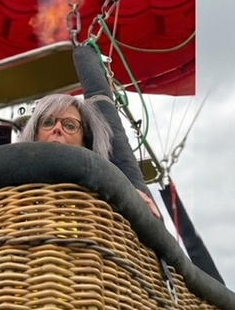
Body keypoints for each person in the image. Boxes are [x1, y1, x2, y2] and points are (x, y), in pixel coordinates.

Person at [17, 44, 162, 219]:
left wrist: (129, 198)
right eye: (48, 122)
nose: (57, 129)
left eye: (70, 125)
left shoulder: (105, 199)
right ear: (34, 135)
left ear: (85, 141)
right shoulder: (14, 190)